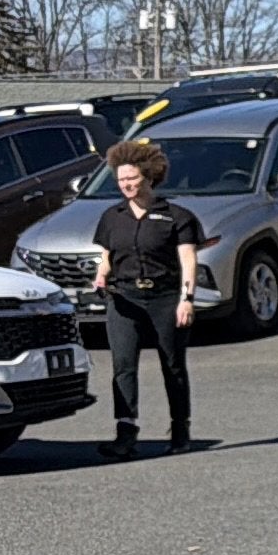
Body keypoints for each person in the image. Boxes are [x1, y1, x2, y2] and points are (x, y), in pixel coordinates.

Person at [90, 138, 206, 455]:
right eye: (121, 180)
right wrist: (101, 275)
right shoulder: (112, 217)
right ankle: (125, 434)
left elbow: (188, 260)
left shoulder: (176, 216)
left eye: (132, 179)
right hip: (124, 300)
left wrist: (187, 299)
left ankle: (180, 431)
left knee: (173, 365)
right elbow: (106, 256)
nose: (126, 185)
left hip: (166, 298)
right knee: (123, 366)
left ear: (149, 176)